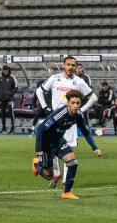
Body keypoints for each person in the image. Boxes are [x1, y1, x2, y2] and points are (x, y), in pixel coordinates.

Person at [35, 57, 97, 187]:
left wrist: (80, 110)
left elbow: (93, 97)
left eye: (73, 65)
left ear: (75, 67)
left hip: (70, 119)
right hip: (55, 119)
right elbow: (39, 91)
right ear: (64, 65)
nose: (70, 67)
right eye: (68, 64)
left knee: (68, 149)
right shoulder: (54, 79)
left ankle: (65, 182)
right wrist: (46, 108)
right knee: (54, 152)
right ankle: (55, 173)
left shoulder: (79, 82)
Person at [33, 90, 102, 199]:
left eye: (78, 103)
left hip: (59, 141)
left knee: (73, 163)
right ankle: (37, 166)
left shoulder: (78, 115)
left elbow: (85, 131)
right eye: (72, 103)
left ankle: (66, 193)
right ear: (67, 103)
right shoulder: (60, 114)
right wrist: (39, 150)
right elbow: (41, 129)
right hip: (47, 145)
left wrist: (94, 148)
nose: (75, 106)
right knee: (48, 175)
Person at [0, 66, 18, 134]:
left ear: (9, 70)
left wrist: (10, 94)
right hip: (2, 99)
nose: (4, 71)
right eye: (3, 70)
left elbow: (16, 87)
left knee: (11, 114)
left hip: (9, 99)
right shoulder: (0, 79)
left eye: (6, 70)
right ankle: (3, 128)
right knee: (2, 114)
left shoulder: (12, 77)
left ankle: (12, 128)